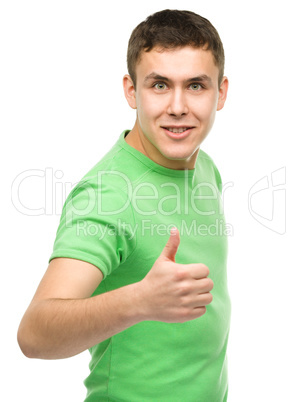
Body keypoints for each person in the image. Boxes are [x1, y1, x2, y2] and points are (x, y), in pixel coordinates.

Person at [17, 9, 231, 401]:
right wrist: (140, 300)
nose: (179, 106)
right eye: (160, 85)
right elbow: (34, 335)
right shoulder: (107, 196)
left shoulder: (205, 167)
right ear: (132, 91)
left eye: (197, 85)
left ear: (222, 92)